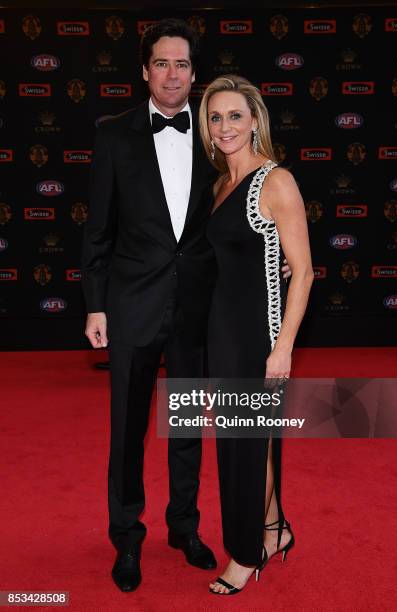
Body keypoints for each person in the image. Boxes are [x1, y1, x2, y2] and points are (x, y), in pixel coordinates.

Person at [82, 18, 291, 593]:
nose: (172, 73)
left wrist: (281, 260)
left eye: (182, 64)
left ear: (194, 74)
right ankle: (127, 538)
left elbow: (243, 224)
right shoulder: (114, 136)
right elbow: (97, 230)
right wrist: (95, 305)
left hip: (199, 310)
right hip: (131, 306)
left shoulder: (215, 140)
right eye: (161, 63)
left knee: (186, 428)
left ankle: (184, 528)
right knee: (127, 430)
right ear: (144, 70)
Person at [198, 74, 313, 595]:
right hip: (220, 332)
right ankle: (275, 530)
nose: (225, 126)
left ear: (255, 121)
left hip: (259, 339)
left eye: (235, 116)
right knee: (249, 444)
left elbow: (303, 271)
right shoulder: (219, 183)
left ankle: (246, 555)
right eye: (217, 117)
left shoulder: (276, 181)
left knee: (243, 448)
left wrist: (283, 347)